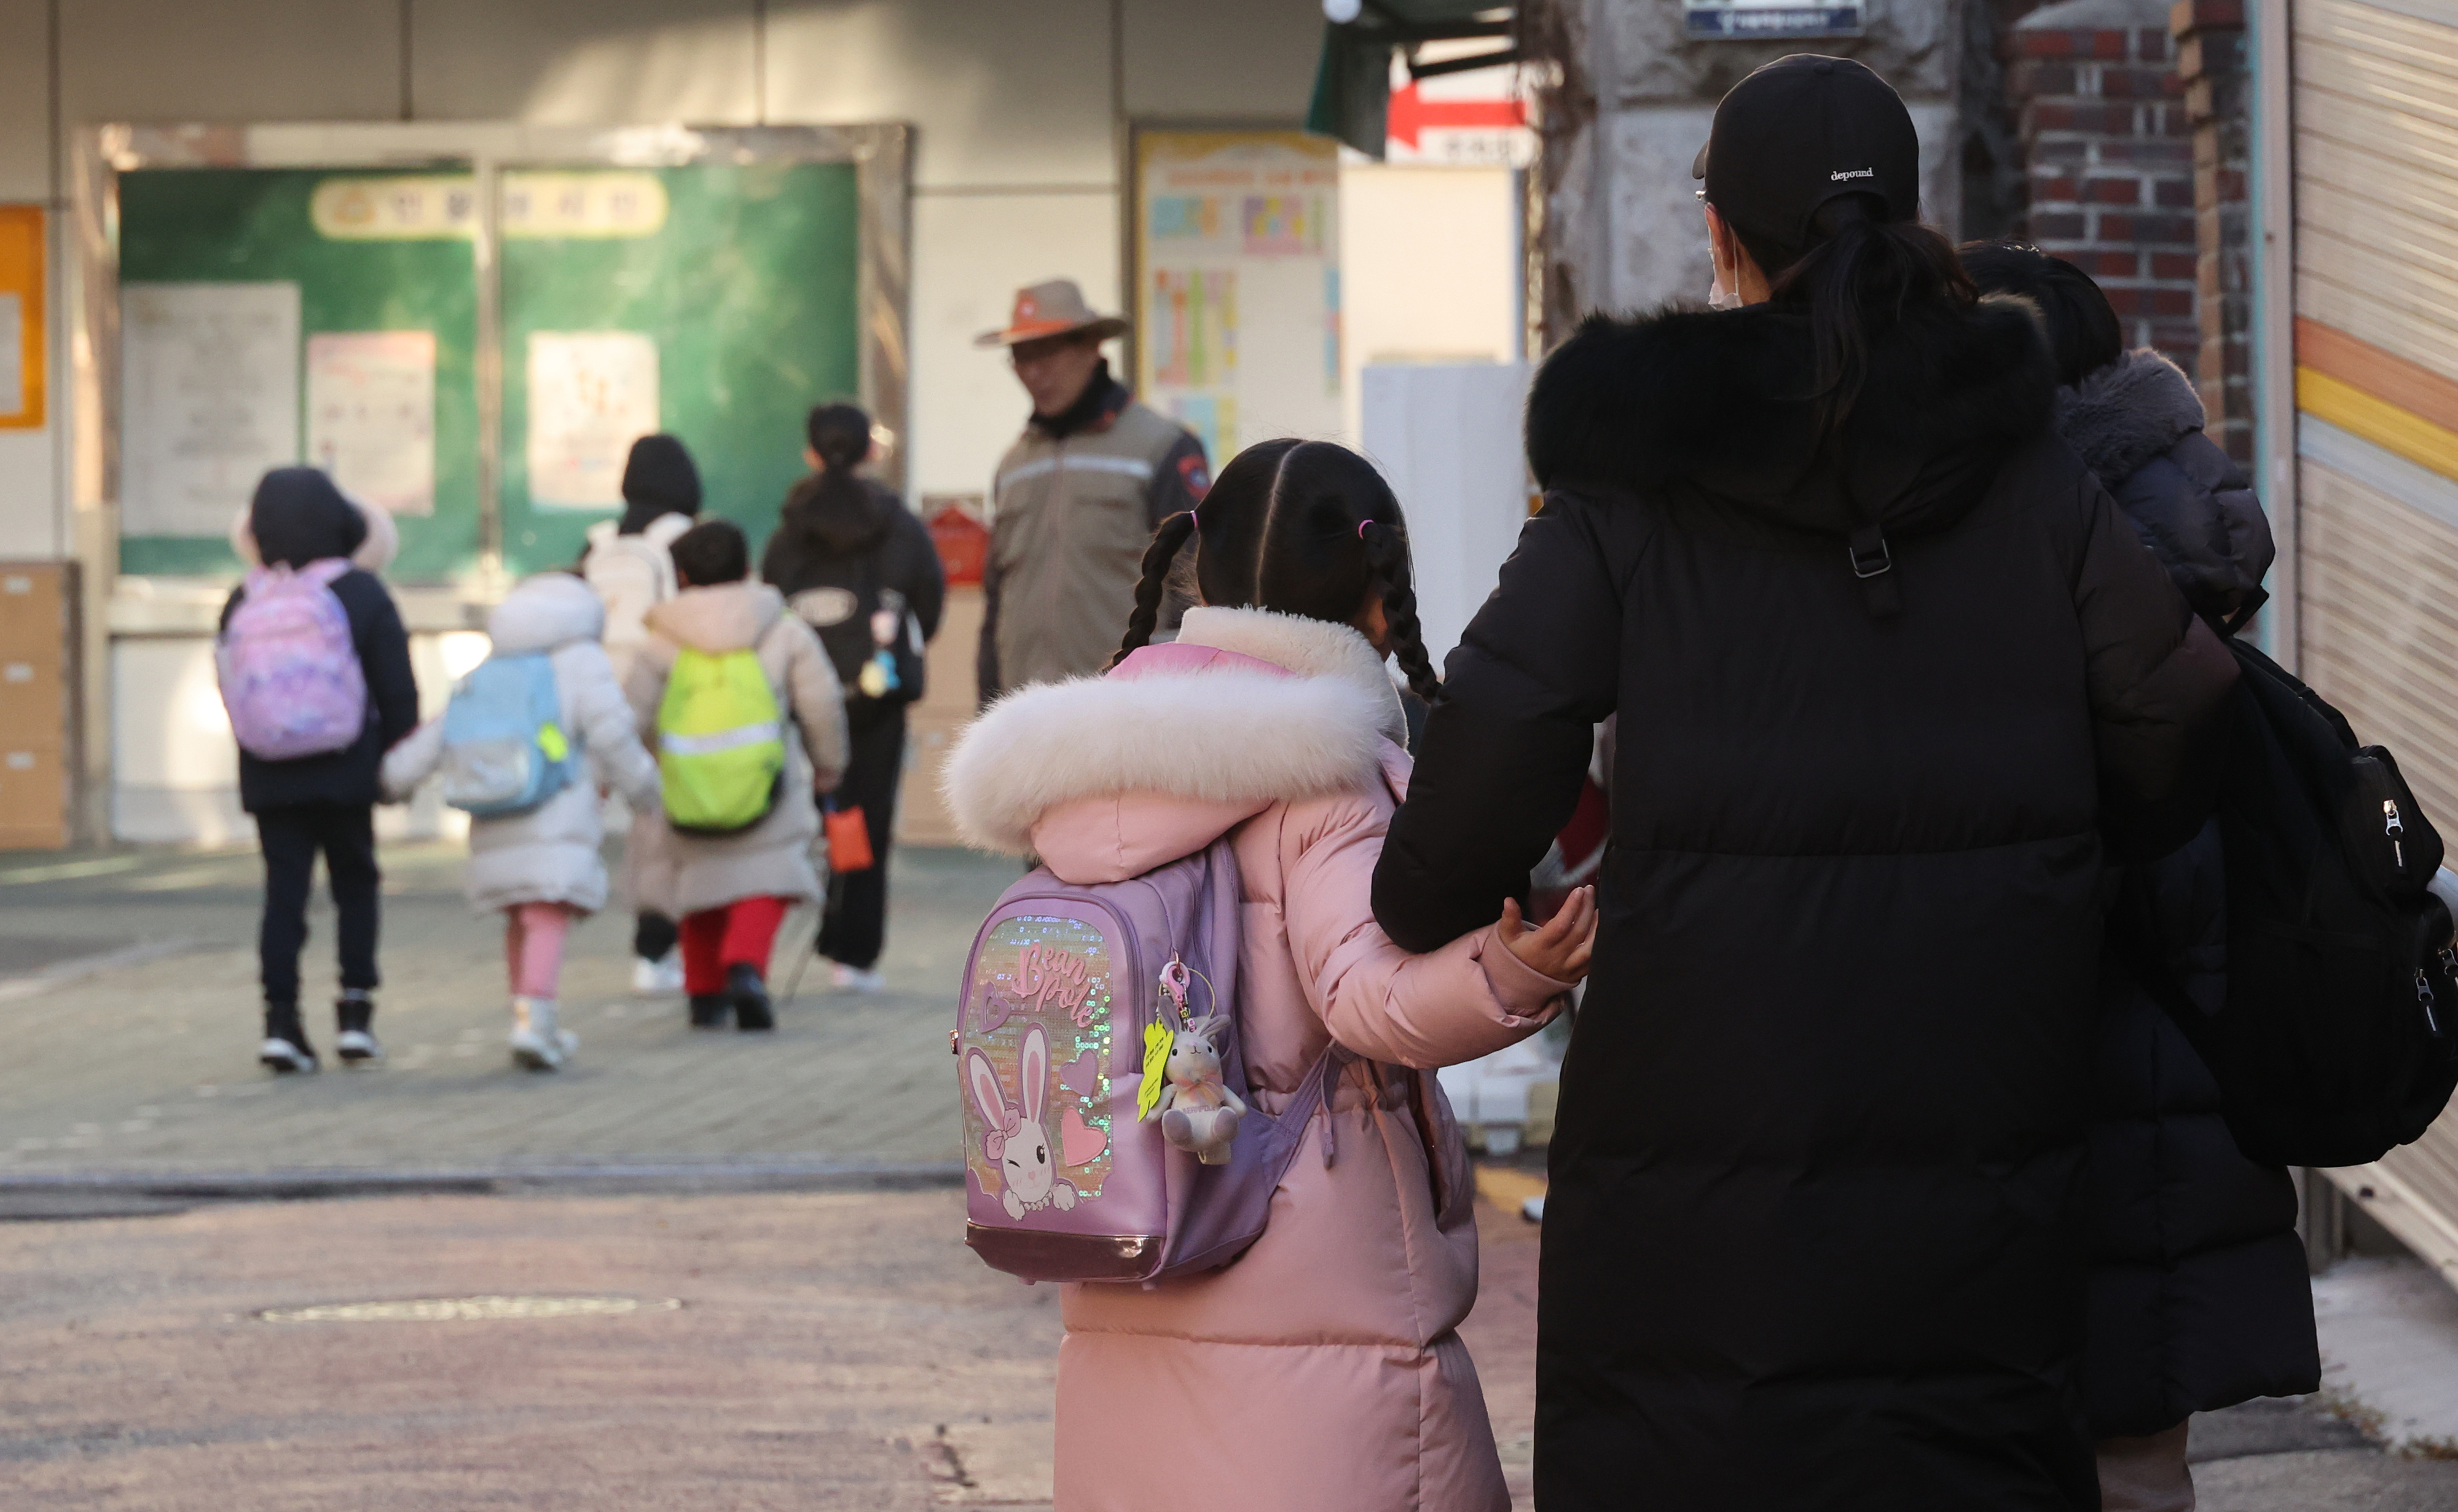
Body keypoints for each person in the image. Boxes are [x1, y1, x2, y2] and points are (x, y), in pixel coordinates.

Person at [1369, 57, 2240, 1510]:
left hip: (1701, 1114)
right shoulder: (2023, 462)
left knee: (1695, 1443)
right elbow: (2178, 705)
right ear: (1914, 219)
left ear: (1718, 234)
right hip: (1985, 1070)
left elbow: (1497, 733)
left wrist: (1429, 899)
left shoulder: (1633, 479)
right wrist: (2054, 868)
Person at [941, 437, 1595, 1512]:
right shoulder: (1318, 771)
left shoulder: (1094, 770)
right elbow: (1367, 998)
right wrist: (1511, 972)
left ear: (1197, 575)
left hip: (1130, 1234)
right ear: (1381, 603)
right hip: (1319, 1266)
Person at [1962, 240, 2318, 1512]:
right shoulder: (2165, 537)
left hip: (2075, 1075)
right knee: (2136, 1459)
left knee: (2068, 1454)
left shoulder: (2049, 550)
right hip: (2172, 1082)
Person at [380, 572, 662, 1071]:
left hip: (496, 805)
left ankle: (529, 1015)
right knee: (547, 911)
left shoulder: (495, 663)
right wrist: (645, 790)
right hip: (557, 807)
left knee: (520, 913)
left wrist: (392, 779)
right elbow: (613, 732)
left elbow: (444, 729)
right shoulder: (582, 661)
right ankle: (535, 1021)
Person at [222, 468, 419, 1075]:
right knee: (355, 885)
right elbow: (397, 691)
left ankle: (281, 1023)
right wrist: (392, 758)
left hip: (269, 772)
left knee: (284, 897)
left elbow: (232, 685)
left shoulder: (244, 598)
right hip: (345, 768)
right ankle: (355, 1016)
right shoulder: (360, 592)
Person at [626, 519, 849, 1030]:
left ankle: (704, 993)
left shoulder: (662, 639)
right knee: (767, 876)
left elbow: (631, 714)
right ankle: (746, 966)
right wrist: (828, 765)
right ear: (748, 569)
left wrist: (630, 773)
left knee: (698, 882)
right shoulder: (782, 627)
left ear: (681, 576)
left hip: (685, 785)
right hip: (766, 783)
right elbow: (821, 703)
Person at [760, 402, 946, 992]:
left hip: (801, 695)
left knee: (813, 813)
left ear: (810, 453)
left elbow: (769, 603)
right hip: (878, 692)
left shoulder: (790, 528)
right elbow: (930, 600)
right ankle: (854, 956)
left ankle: (764, 943)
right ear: (872, 450)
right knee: (870, 811)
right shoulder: (899, 524)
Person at [973, 278, 1210, 702]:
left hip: (1125, 711)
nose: (1032, 372)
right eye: (1020, 357)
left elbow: (1194, 589)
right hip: (1025, 713)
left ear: (1092, 346)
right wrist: (987, 705)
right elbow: (997, 602)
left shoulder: (1161, 448)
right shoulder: (1012, 467)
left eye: (1045, 354)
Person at [583, 433, 703, 995]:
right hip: (667, 693)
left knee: (631, 818)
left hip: (599, 695)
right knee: (661, 824)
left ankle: (642, 939)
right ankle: (659, 943)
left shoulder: (599, 542)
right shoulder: (683, 538)